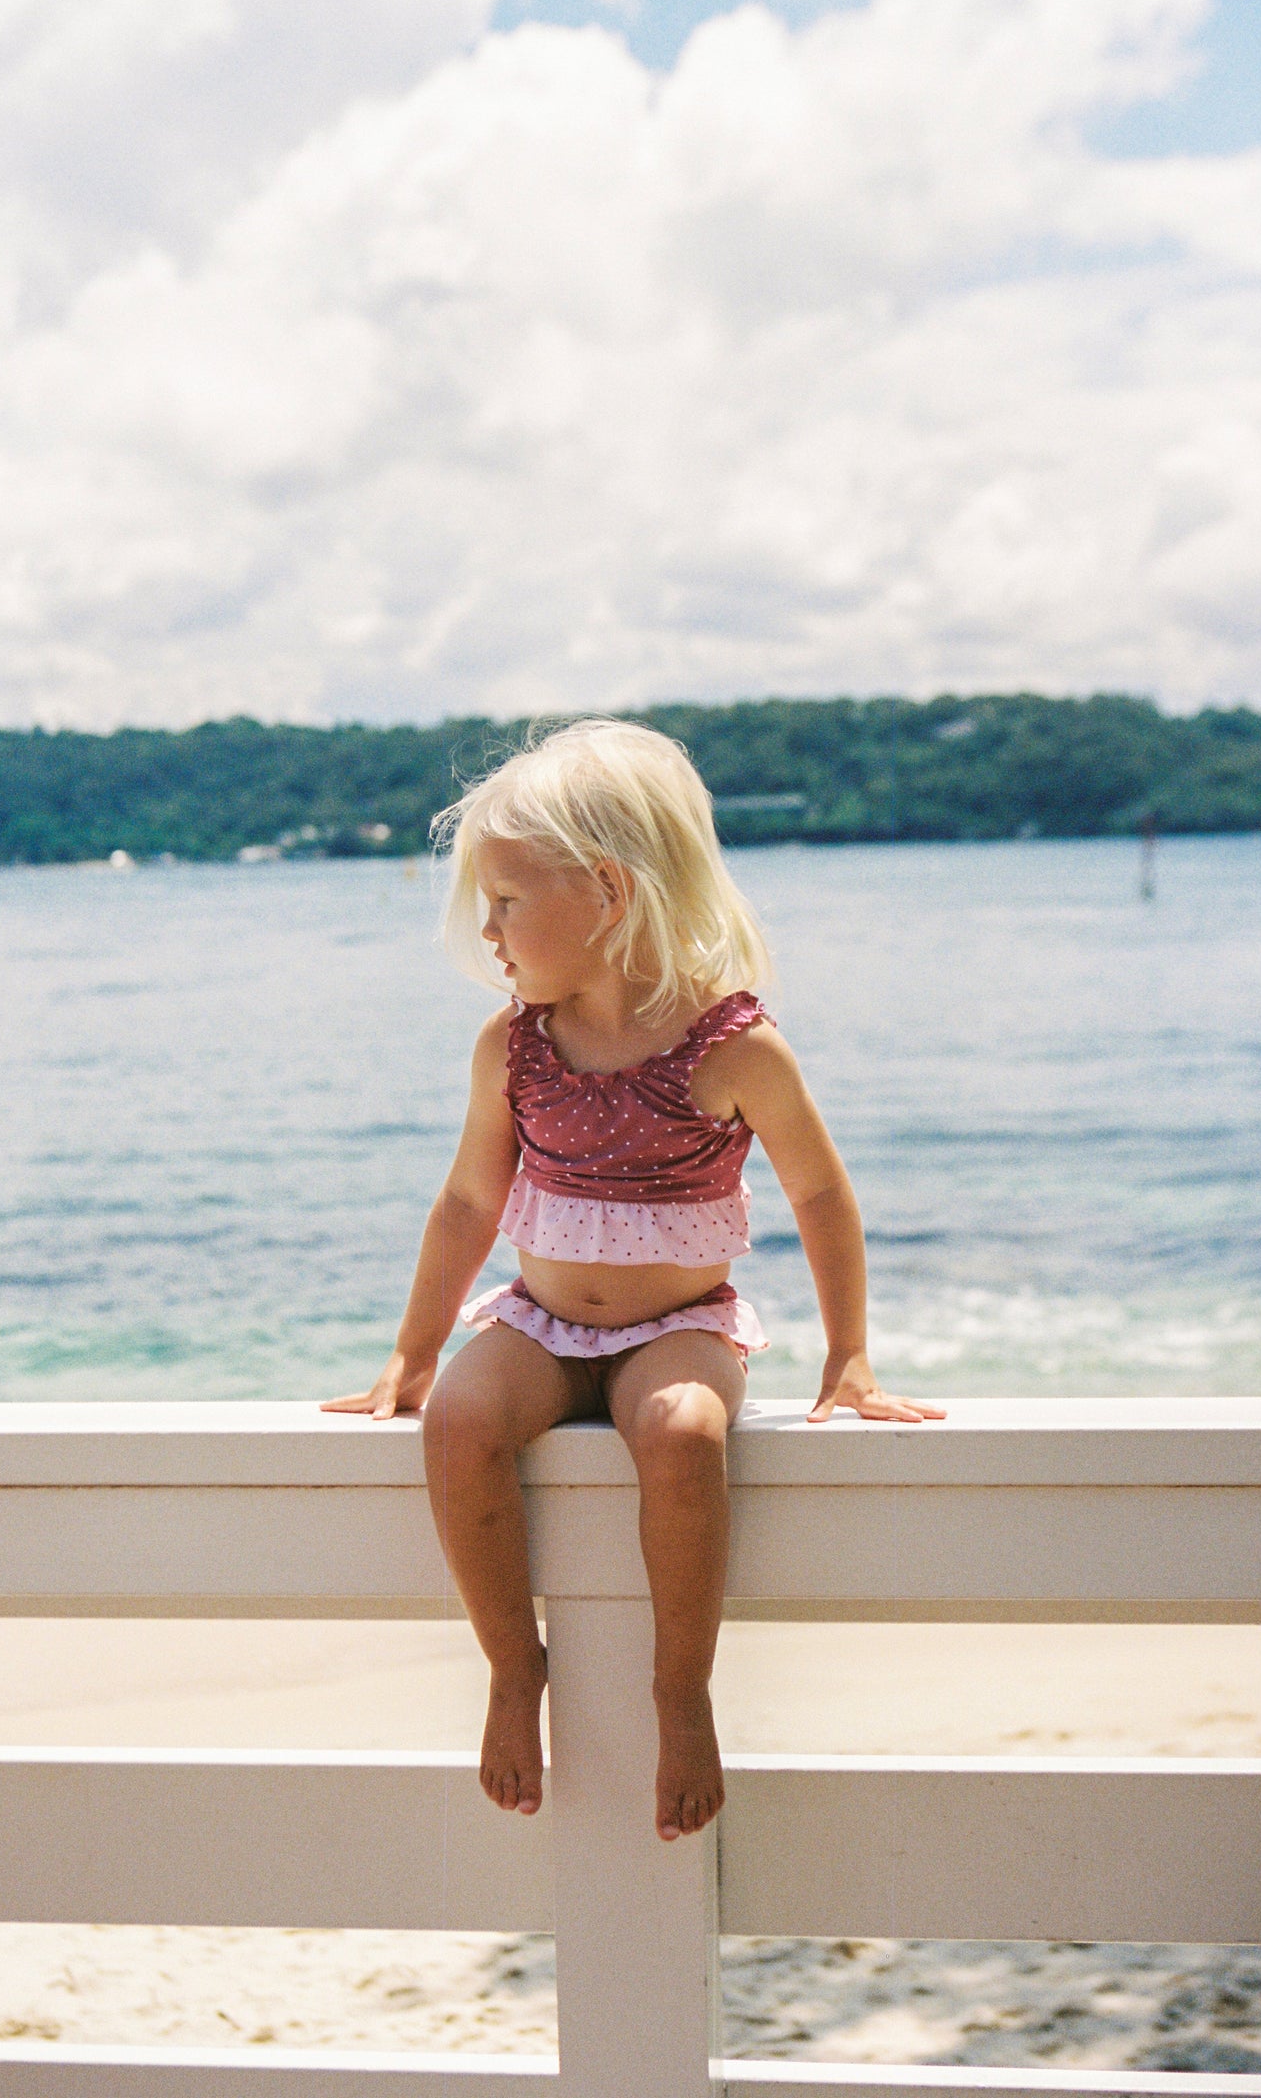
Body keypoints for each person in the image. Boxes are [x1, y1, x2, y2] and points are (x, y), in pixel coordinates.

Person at [322, 720, 943, 1840]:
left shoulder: (730, 1046)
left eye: (507, 900)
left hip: (676, 1324)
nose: (488, 930)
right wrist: (414, 1354)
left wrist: (848, 1357)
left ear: (606, 891)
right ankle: (515, 1669)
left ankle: (680, 1690)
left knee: (681, 1435)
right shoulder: (511, 1047)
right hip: (540, 1322)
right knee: (459, 1419)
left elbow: (819, 1197)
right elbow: (468, 1203)